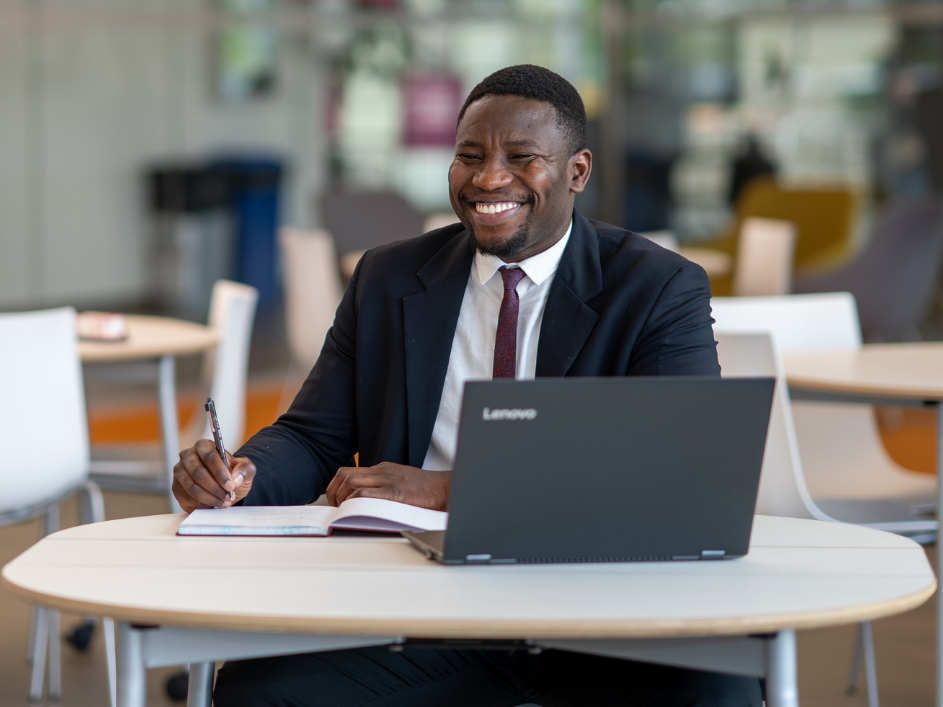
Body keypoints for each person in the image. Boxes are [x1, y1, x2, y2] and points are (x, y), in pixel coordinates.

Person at [173, 64, 760, 707]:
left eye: (521, 157)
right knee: (263, 693)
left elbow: (675, 474)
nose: (488, 178)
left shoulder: (655, 288)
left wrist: (449, 491)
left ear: (578, 172)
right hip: (420, 607)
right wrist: (242, 473)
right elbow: (314, 435)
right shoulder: (388, 277)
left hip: (601, 606)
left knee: (720, 688)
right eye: (469, 156)